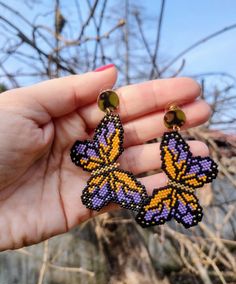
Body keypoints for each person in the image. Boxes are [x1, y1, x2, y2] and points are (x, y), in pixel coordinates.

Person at [0, 64, 210, 252]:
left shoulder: (99, 153)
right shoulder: (99, 149)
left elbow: (86, 150)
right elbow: (85, 150)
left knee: (140, 194)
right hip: (112, 170)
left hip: (111, 169)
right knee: (135, 193)